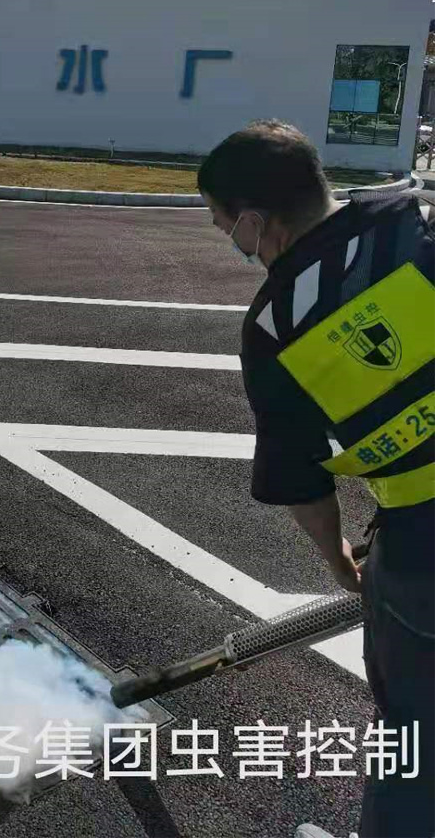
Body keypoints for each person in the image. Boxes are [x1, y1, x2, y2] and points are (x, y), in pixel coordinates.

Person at [197, 120, 434, 838]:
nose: (229, 240)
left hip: (422, 553)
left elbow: (299, 478)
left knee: (412, 735)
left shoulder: (277, 323)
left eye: (223, 226)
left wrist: (340, 563)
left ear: (253, 221)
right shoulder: (418, 221)